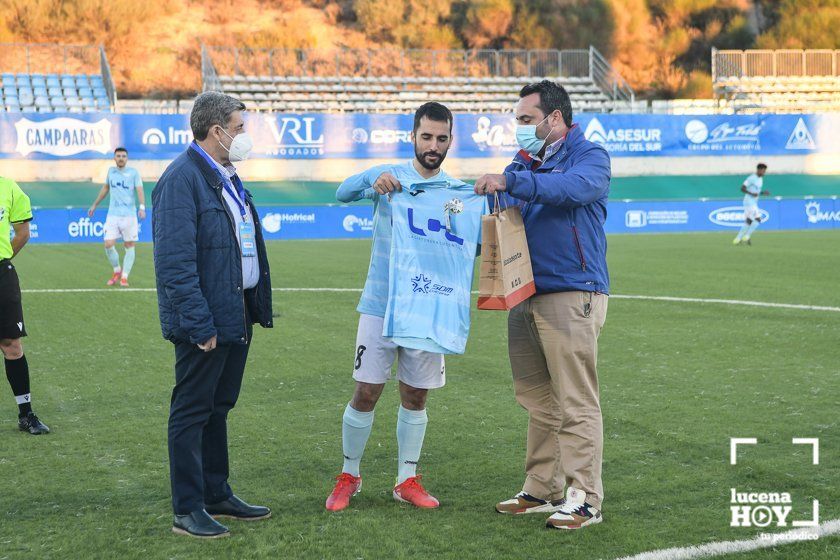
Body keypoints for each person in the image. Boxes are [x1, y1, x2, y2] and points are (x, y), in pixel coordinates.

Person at [474, 80, 611, 530]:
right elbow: (504, 212)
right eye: (518, 121)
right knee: (537, 399)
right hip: (525, 293)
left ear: (555, 119)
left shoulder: (590, 156)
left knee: (575, 399)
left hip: (573, 291)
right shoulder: (525, 161)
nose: (520, 129)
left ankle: (585, 498)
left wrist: (514, 180)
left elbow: (571, 190)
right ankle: (541, 488)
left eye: (527, 120)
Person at [326, 102, 469, 512]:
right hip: (380, 305)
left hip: (428, 309)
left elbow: (465, 247)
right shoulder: (389, 179)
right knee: (367, 391)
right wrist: (374, 176)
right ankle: (349, 474)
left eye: (442, 139)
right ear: (413, 136)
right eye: (427, 137)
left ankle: (406, 479)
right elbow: (342, 192)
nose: (434, 145)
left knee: (416, 395)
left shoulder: (454, 194)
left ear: (449, 141)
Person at [152, 92, 274, 539]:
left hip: (234, 311)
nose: (244, 137)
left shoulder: (226, 175)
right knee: (191, 409)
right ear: (215, 131)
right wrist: (199, 324)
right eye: (239, 129)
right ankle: (187, 507)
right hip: (205, 319)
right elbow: (174, 263)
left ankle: (215, 492)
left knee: (218, 406)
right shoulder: (182, 179)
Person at [0, 176, 49, 435]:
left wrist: (4, 258)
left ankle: (25, 414)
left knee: (12, 345)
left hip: (1, 275)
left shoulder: (9, 188)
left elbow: (22, 233)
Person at [88, 147, 145, 287]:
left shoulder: (133, 173)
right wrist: (95, 204)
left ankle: (124, 277)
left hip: (129, 216)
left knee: (129, 245)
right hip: (113, 215)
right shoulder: (111, 172)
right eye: (118, 156)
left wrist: (142, 207)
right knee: (108, 244)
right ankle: (117, 270)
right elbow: (106, 188)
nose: (121, 158)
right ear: (114, 158)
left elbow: (139, 190)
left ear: (127, 158)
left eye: (123, 156)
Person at [733, 163, 770, 245]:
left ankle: (737, 239)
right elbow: (742, 188)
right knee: (758, 219)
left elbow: (756, 191)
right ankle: (746, 236)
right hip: (749, 201)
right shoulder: (751, 178)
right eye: (763, 171)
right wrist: (751, 193)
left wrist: (763, 192)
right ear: (759, 170)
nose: (764, 173)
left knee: (749, 221)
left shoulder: (760, 179)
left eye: (765, 171)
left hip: (753, 202)